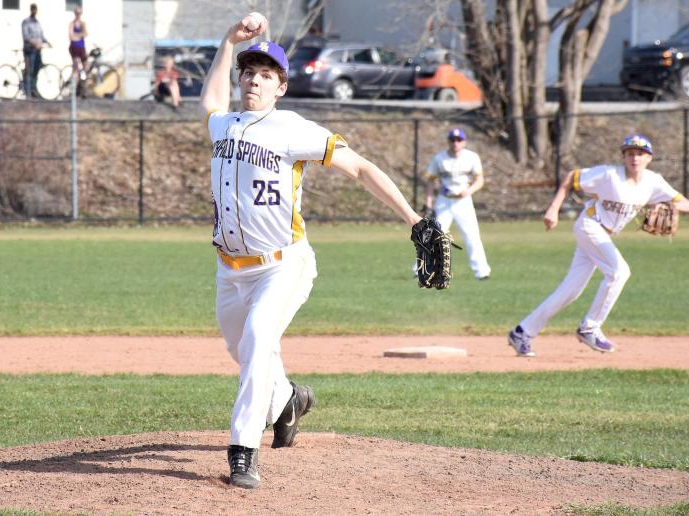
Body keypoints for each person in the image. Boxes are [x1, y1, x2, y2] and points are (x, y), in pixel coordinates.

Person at [200, 13, 423, 489]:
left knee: (259, 340)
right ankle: (288, 401)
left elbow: (360, 169)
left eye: (266, 75)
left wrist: (414, 219)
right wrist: (227, 42)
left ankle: (243, 452)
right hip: (229, 269)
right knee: (243, 352)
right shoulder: (224, 125)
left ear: (281, 87)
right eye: (249, 72)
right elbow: (211, 99)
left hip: (283, 264)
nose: (254, 80)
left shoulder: (292, 128)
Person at [507, 134, 689, 358]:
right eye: (629, 153)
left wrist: (667, 205)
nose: (634, 158)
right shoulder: (609, 175)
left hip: (602, 234)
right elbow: (571, 178)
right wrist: (553, 209)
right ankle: (590, 327)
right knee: (619, 272)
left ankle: (522, 332)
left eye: (640, 153)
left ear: (649, 158)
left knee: (570, 291)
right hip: (590, 225)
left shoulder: (653, 182)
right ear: (623, 157)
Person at [420, 128, 492, 280]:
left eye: (459, 140)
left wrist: (469, 191)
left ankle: (482, 271)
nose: (455, 143)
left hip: (463, 201)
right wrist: (429, 203)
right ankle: (422, 269)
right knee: (435, 236)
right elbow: (430, 181)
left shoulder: (472, 157)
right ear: (449, 141)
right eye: (452, 140)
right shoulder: (440, 158)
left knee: (472, 235)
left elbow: (480, 180)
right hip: (444, 201)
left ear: (464, 142)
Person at [21, 3, 50, 98]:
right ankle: (27, 91)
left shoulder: (37, 22)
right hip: (30, 50)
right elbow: (26, 36)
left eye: (35, 9)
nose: (34, 11)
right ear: (31, 10)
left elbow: (41, 36)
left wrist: (47, 42)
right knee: (30, 70)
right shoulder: (26, 22)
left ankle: (33, 89)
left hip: (38, 50)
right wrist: (34, 43)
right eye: (33, 9)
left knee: (36, 69)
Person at [67, 5, 88, 95]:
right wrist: (80, 35)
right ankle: (73, 89)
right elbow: (71, 36)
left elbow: (86, 33)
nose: (78, 15)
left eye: (79, 13)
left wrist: (77, 35)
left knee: (85, 68)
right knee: (75, 68)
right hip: (74, 48)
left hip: (81, 47)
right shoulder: (72, 23)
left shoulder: (83, 23)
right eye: (77, 13)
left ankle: (82, 88)